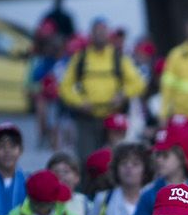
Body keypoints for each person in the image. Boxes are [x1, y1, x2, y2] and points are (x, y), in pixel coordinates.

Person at [59, 18, 147, 160]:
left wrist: (122, 95)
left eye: (103, 31)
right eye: (97, 31)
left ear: (108, 34)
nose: (100, 34)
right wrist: (79, 102)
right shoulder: (80, 58)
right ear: (91, 34)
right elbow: (64, 87)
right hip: (86, 119)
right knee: (87, 159)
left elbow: (138, 83)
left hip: (112, 119)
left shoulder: (118, 58)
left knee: (114, 159)